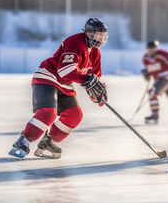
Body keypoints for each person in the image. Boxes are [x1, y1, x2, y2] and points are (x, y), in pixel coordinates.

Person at [9, 18, 109, 159]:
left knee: (75, 115)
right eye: (97, 34)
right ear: (87, 33)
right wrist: (88, 81)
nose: (100, 38)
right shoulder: (75, 41)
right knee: (48, 113)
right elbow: (65, 71)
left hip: (65, 84)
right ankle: (23, 140)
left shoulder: (96, 53)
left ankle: (47, 141)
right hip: (48, 76)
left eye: (102, 35)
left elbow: (94, 78)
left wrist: (97, 95)